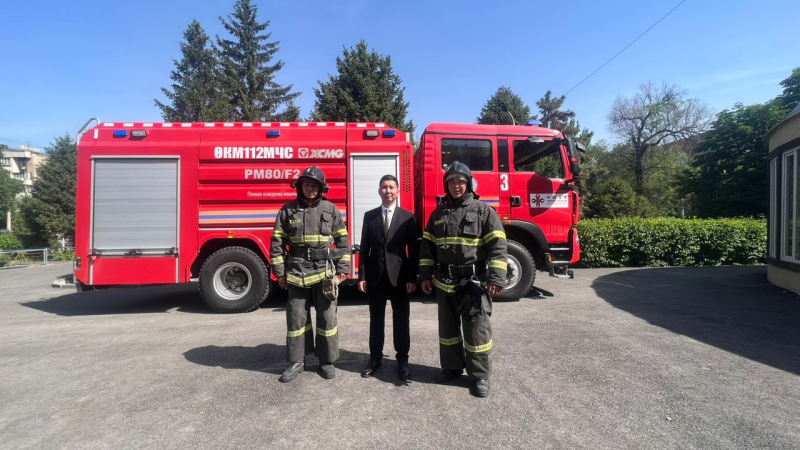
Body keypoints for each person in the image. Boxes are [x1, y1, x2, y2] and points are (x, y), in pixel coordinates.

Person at [419, 161, 508, 397]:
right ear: (446, 185)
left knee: (477, 331)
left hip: (473, 284)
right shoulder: (437, 214)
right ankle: (452, 368)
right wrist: (425, 275)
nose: (456, 186)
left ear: (469, 184)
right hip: (444, 282)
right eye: (451, 182)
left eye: (460, 181)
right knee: (448, 331)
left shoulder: (484, 211)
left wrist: (496, 278)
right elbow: (427, 248)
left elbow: (498, 246)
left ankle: (480, 375)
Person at [270, 166, 350, 383]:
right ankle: (297, 361)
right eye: (307, 184)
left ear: (322, 188)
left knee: (327, 318)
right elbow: (277, 243)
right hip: (296, 273)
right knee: (296, 319)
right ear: (300, 186)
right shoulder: (288, 210)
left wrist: (343, 269)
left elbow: (343, 241)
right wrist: (280, 273)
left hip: (324, 274)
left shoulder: (330, 209)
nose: (311, 188)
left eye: (315, 185)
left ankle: (326, 360)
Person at [358, 174, 419, 381]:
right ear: (379, 191)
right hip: (375, 277)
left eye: (392, 187)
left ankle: (402, 360)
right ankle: (375, 359)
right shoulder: (370, 216)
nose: (388, 191)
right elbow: (364, 249)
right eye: (384, 187)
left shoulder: (408, 217)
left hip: (400, 278)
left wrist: (412, 278)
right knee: (376, 320)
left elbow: (413, 252)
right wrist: (362, 275)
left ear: (398, 191)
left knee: (401, 320)